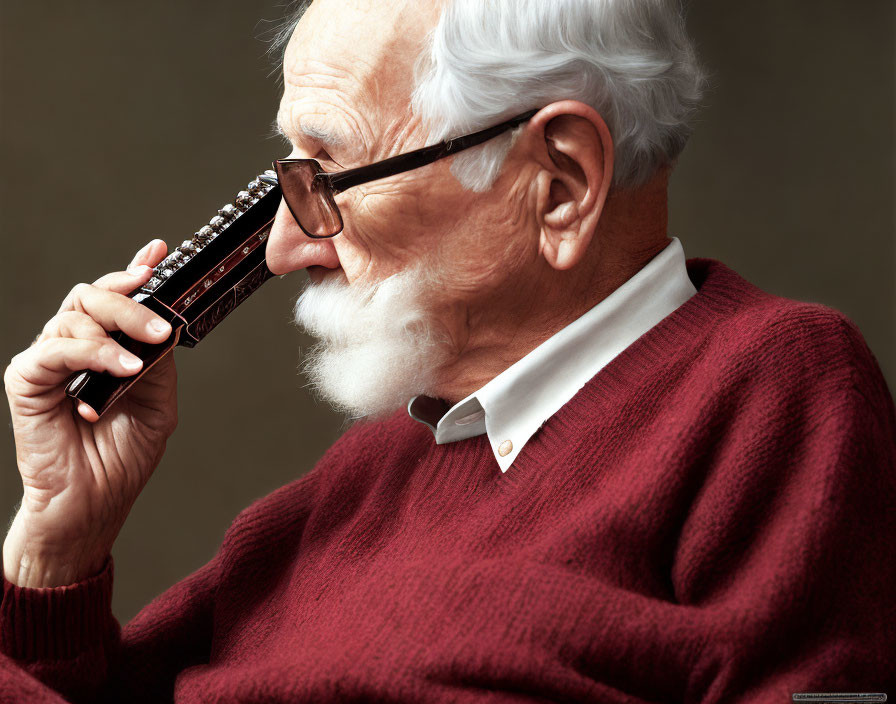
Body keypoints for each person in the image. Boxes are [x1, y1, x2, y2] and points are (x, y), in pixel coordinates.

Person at [2, 0, 894, 701]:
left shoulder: (773, 385)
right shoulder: (367, 475)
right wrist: (58, 544)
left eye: (328, 174)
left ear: (560, 185)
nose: (281, 248)